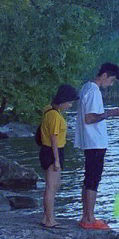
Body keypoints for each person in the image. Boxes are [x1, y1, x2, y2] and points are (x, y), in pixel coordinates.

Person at [75, 62, 119, 230]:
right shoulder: (94, 91)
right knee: (93, 179)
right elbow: (89, 118)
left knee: (89, 178)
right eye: (111, 81)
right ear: (104, 75)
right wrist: (111, 113)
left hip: (90, 142)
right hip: (94, 142)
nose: (110, 85)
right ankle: (90, 218)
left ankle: (86, 216)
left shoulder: (86, 88)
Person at [37, 83, 80, 228]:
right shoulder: (55, 116)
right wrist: (56, 160)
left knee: (53, 186)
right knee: (51, 186)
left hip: (47, 149)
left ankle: (46, 216)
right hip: (53, 151)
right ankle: (49, 219)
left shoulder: (48, 110)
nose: (70, 105)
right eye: (69, 102)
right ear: (63, 100)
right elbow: (54, 138)